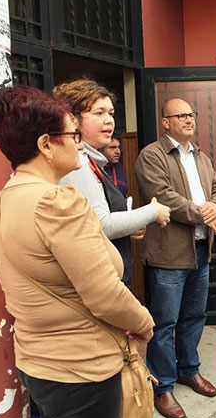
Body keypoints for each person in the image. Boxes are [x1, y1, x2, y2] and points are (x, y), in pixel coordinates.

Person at [0, 86, 155, 418]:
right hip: (82, 367)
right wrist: (144, 322)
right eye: (73, 136)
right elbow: (105, 294)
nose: (79, 145)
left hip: (39, 363)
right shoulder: (57, 202)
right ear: (46, 145)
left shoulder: (7, 196)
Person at [135, 98, 216, 418]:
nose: (189, 120)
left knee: (194, 316)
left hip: (201, 251)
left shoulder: (200, 156)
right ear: (166, 122)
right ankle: (163, 387)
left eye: (191, 115)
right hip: (168, 255)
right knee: (164, 323)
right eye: (181, 115)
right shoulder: (152, 155)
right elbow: (164, 198)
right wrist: (205, 213)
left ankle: (189, 369)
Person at [55, 79, 170, 288]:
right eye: (99, 113)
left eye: (111, 113)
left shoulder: (92, 160)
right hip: (97, 282)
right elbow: (103, 224)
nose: (109, 121)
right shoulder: (77, 161)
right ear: (73, 119)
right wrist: (153, 211)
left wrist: (130, 225)